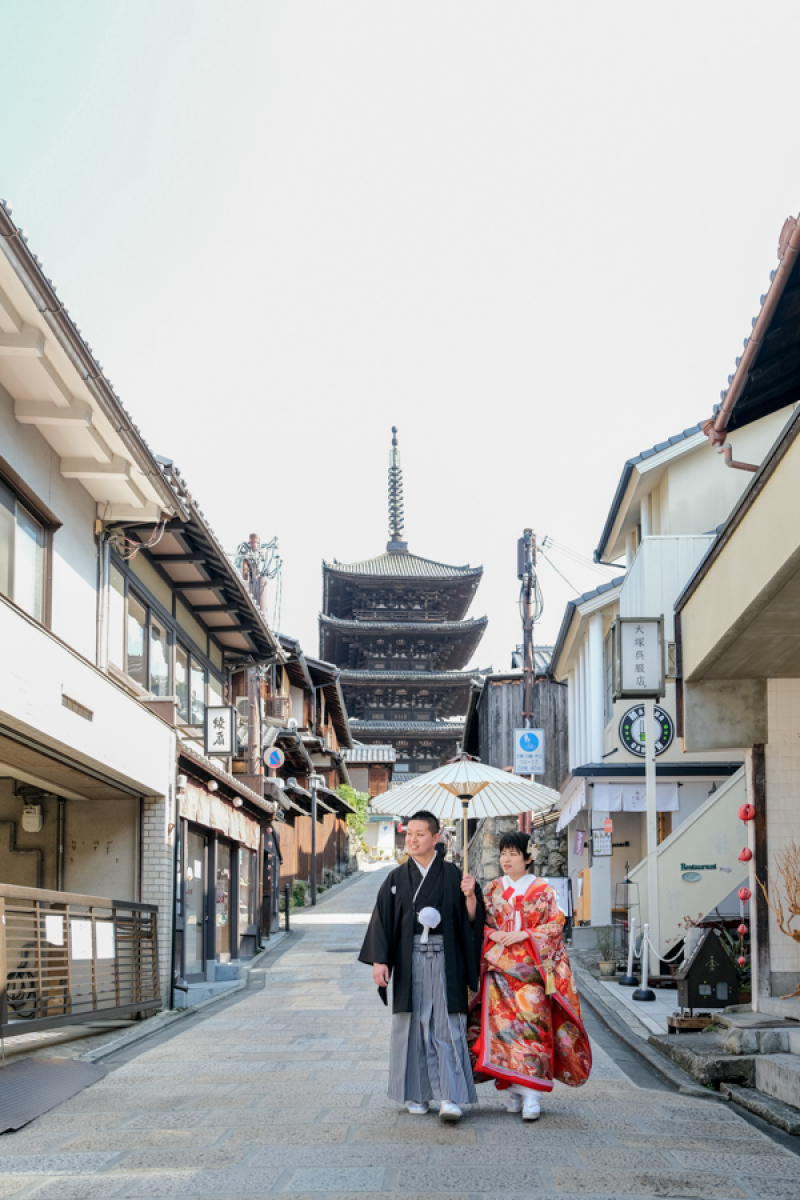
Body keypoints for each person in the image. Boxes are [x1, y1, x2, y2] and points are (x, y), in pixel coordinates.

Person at [359, 810, 485, 1123]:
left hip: (446, 959)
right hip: (409, 958)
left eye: (419, 834)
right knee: (411, 1024)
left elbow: (472, 920)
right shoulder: (396, 878)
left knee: (447, 1026)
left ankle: (450, 1096)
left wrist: (471, 896)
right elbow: (383, 920)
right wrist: (379, 961)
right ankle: (416, 1093)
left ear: (436, 837)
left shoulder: (455, 875)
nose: (412, 840)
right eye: (408, 833)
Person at [467, 831, 591, 1120]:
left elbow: (555, 926)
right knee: (503, 1032)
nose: (506, 859)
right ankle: (512, 1088)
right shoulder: (492, 889)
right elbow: (478, 925)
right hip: (498, 970)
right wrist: (491, 931)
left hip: (531, 972)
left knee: (533, 1029)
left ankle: (532, 1093)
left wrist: (525, 933)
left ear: (528, 856)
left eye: (512, 853)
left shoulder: (543, 890)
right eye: (503, 853)